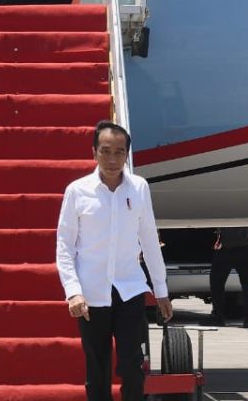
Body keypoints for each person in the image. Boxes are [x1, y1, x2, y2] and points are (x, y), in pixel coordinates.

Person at [55, 121, 172, 401]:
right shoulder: (77, 191)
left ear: (127, 155)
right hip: (91, 295)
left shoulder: (139, 188)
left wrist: (161, 290)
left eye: (119, 152)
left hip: (129, 288)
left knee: (132, 366)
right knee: (97, 369)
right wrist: (73, 291)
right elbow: (64, 245)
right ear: (94, 152)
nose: (112, 159)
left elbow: (149, 241)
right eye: (105, 151)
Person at [208, 226, 248, 328]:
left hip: (227, 249)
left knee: (216, 283)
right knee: (247, 285)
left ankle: (218, 317)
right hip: (243, 248)